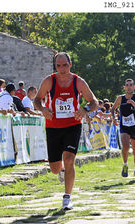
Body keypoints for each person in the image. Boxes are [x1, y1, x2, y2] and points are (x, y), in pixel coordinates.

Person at [33, 52, 98, 210]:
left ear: (70, 64)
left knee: (69, 160)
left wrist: (85, 110)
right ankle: (61, 170)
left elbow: (94, 102)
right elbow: (36, 100)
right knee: (55, 169)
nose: (62, 69)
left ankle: (67, 198)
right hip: (53, 127)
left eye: (65, 65)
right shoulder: (49, 81)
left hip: (72, 125)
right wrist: (43, 109)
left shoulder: (78, 81)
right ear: (55, 67)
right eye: (58, 66)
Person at [111, 78, 135, 180]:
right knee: (125, 146)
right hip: (124, 126)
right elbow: (113, 108)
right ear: (124, 87)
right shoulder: (120, 98)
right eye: (127, 85)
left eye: (131, 85)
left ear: (134, 87)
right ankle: (125, 165)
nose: (129, 87)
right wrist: (114, 118)